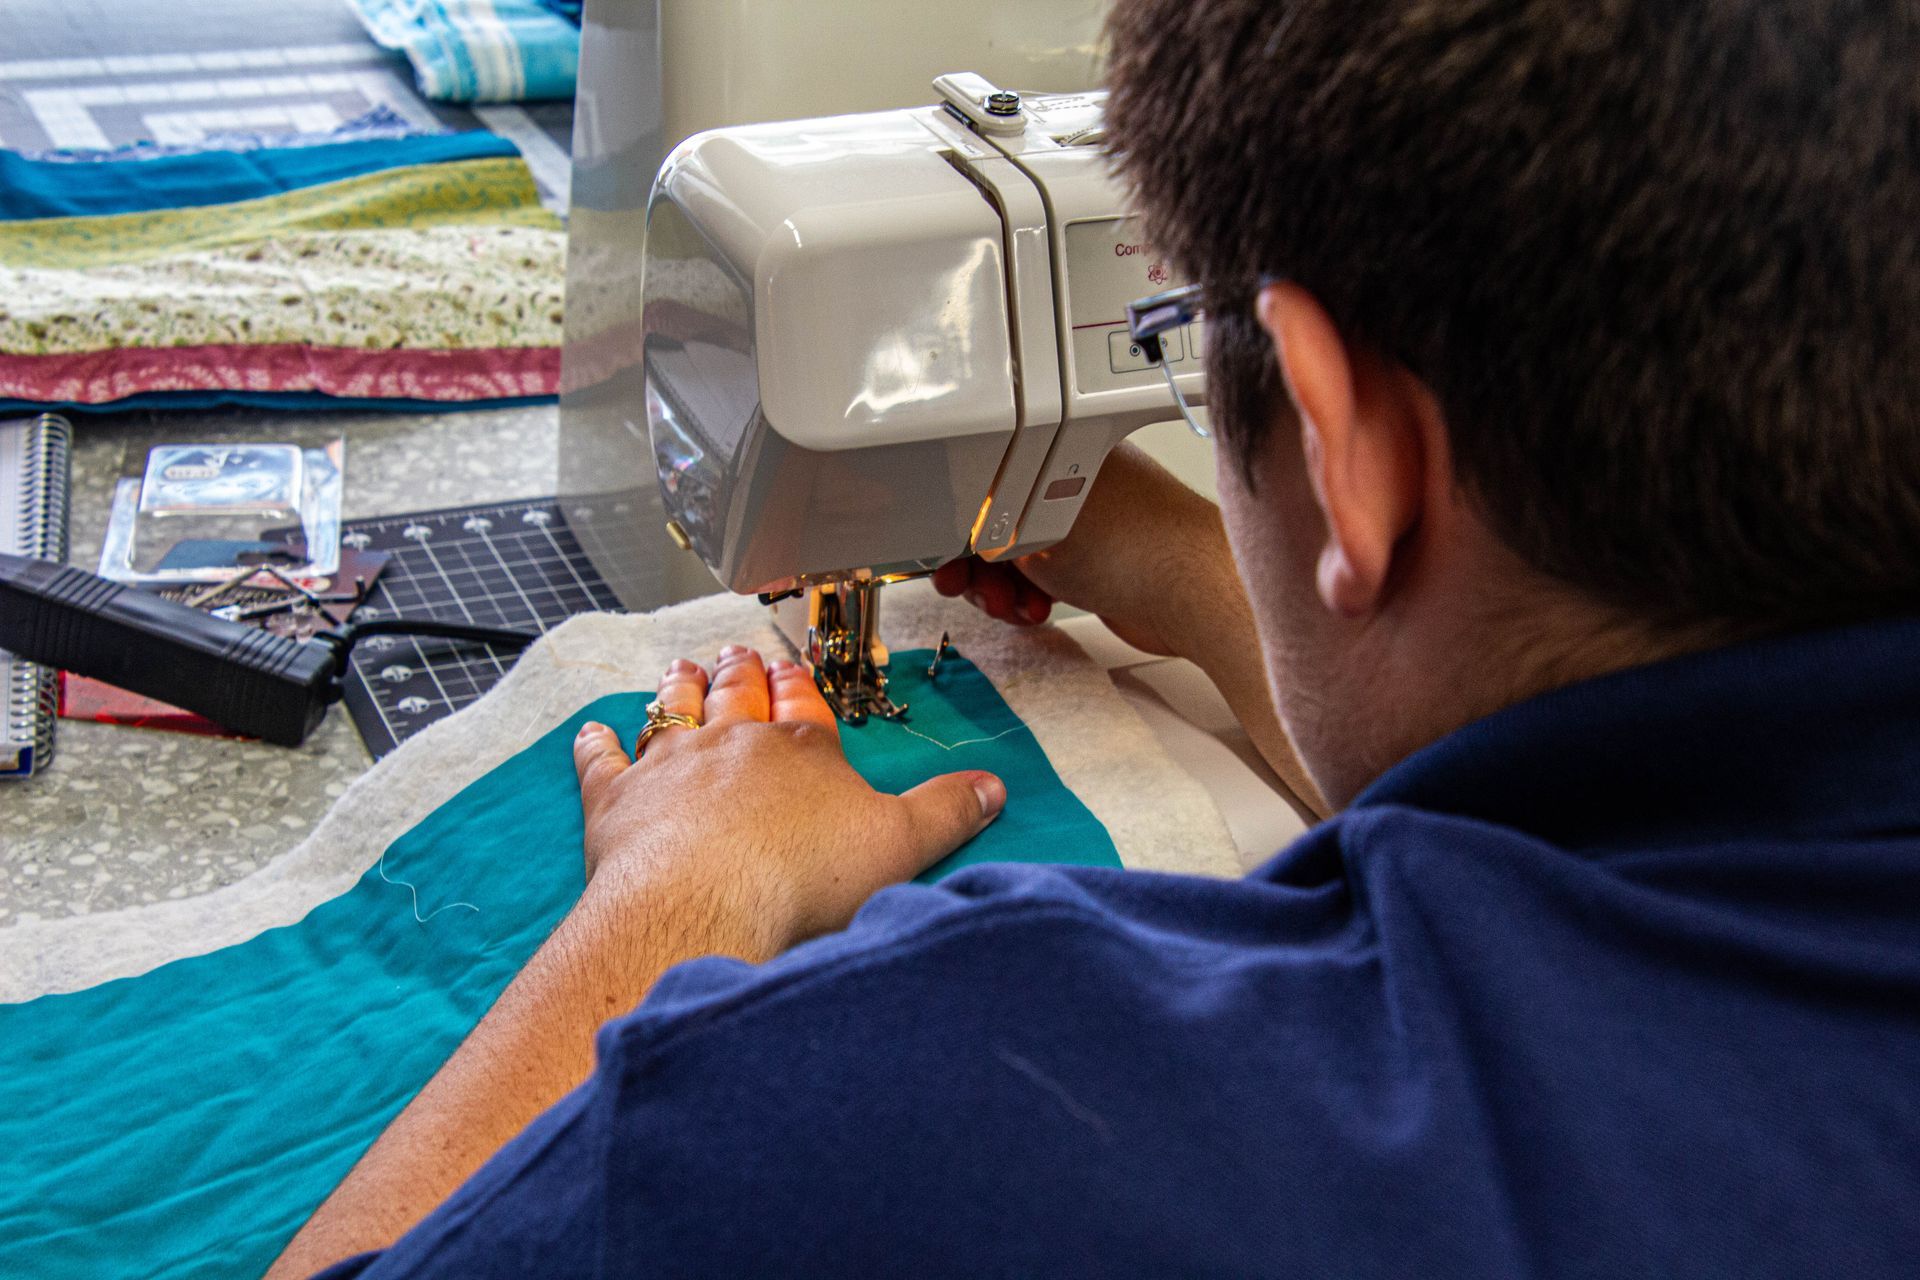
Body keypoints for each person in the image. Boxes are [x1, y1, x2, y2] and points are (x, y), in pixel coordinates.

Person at [274, 0, 1920, 1274]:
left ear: (1346, 442)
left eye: (1190, 335)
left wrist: (680, 896)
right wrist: (1184, 565)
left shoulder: (972, 1091)